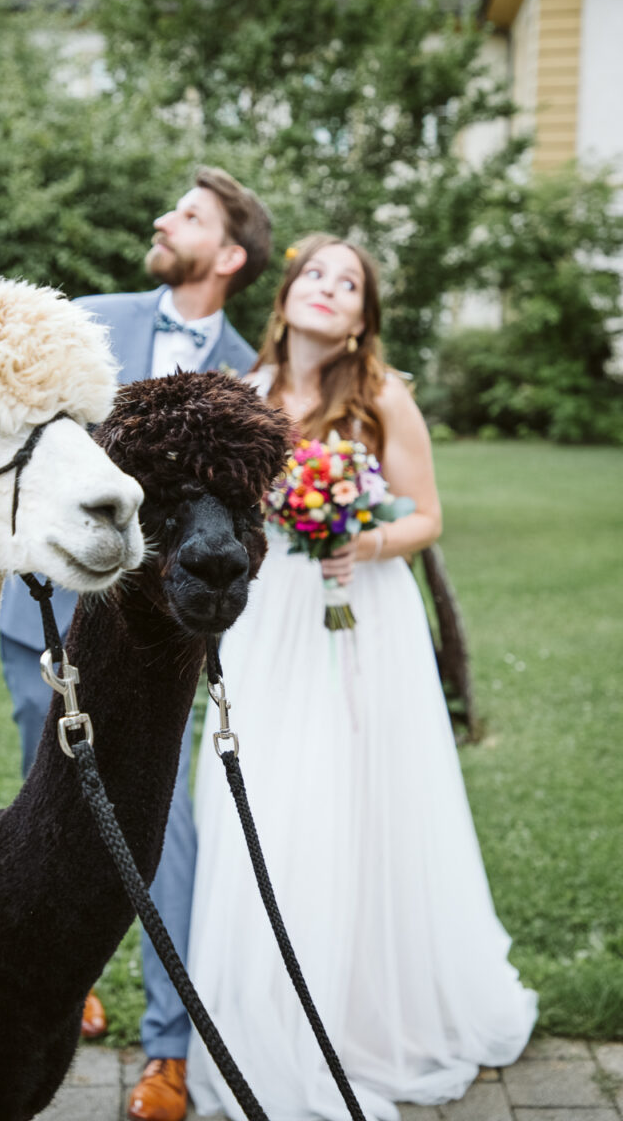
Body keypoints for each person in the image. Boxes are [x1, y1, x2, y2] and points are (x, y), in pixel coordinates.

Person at [185, 234, 537, 1121]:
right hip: (268, 627)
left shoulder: (382, 395)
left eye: (350, 284)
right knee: (261, 801)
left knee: (355, 805)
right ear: (289, 293)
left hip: (358, 621)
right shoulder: (247, 395)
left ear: (361, 320)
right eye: (316, 274)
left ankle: (363, 1021)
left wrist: (362, 540)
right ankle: (263, 1020)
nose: (330, 290)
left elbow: (427, 517)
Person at [0, 166, 272, 1121]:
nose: (165, 219)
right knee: (50, 803)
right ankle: (59, 984)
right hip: (50, 610)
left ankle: (166, 1049)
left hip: (161, 634)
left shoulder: (249, 365)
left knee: (165, 821)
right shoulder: (85, 320)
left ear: (230, 253)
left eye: (189, 215)